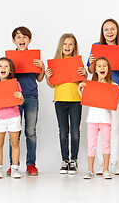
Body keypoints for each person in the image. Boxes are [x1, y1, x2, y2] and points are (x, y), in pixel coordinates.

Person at [87, 19, 119, 175]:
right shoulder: (96, 47)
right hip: (99, 91)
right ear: (102, 32)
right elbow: (91, 71)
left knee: (115, 129)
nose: (110, 32)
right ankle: (101, 163)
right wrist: (91, 63)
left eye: (113, 29)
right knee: (100, 128)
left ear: (117, 31)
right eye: (106, 29)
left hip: (117, 91)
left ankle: (114, 163)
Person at [78, 57, 119, 179]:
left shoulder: (113, 85)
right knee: (91, 145)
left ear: (108, 69)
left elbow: (114, 103)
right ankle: (90, 170)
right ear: (95, 70)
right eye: (99, 66)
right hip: (92, 119)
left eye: (104, 65)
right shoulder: (91, 84)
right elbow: (86, 100)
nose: (102, 68)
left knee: (105, 145)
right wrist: (80, 89)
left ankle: (106, 169)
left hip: (106, 120)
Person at [45, 33, 87, 175]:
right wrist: (47, 76)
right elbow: (51, 85)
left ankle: (74, 160)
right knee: (63, 132)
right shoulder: (56, 63)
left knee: (75, 131)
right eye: (65, 44)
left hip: (75, 101)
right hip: (59, 101)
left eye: (71, 44)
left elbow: (82, 82)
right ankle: (65, 160)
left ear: (74, 46)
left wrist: (85, 74)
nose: (68, 47)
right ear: (61, 46)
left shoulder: (77, 62)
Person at [7, 26, 45, 176]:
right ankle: (13, 164)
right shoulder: (9, 59)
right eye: (18, 37)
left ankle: (31, 164)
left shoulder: (34, 57)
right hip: (14, 98)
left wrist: (42, 67)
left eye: (25, 37)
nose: (22, 40)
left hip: (31, 97)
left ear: (29, 40)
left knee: (30, 132)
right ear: (13, 41)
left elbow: (39, 79)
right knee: (14, 133)